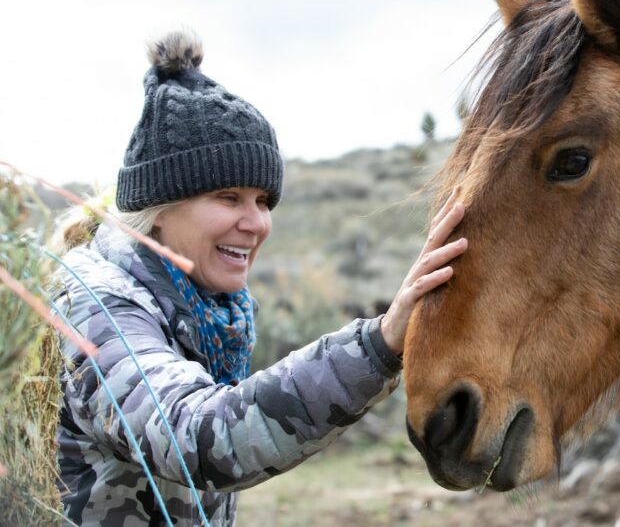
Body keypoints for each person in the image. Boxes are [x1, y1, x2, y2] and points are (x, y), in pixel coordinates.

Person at [52, 30, 467, 526]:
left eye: (264, 201)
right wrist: (376, 345)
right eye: (228, 198)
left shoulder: (205, 309)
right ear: (158, 209)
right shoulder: (96, 310)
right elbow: (196, 437)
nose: (256, 224)